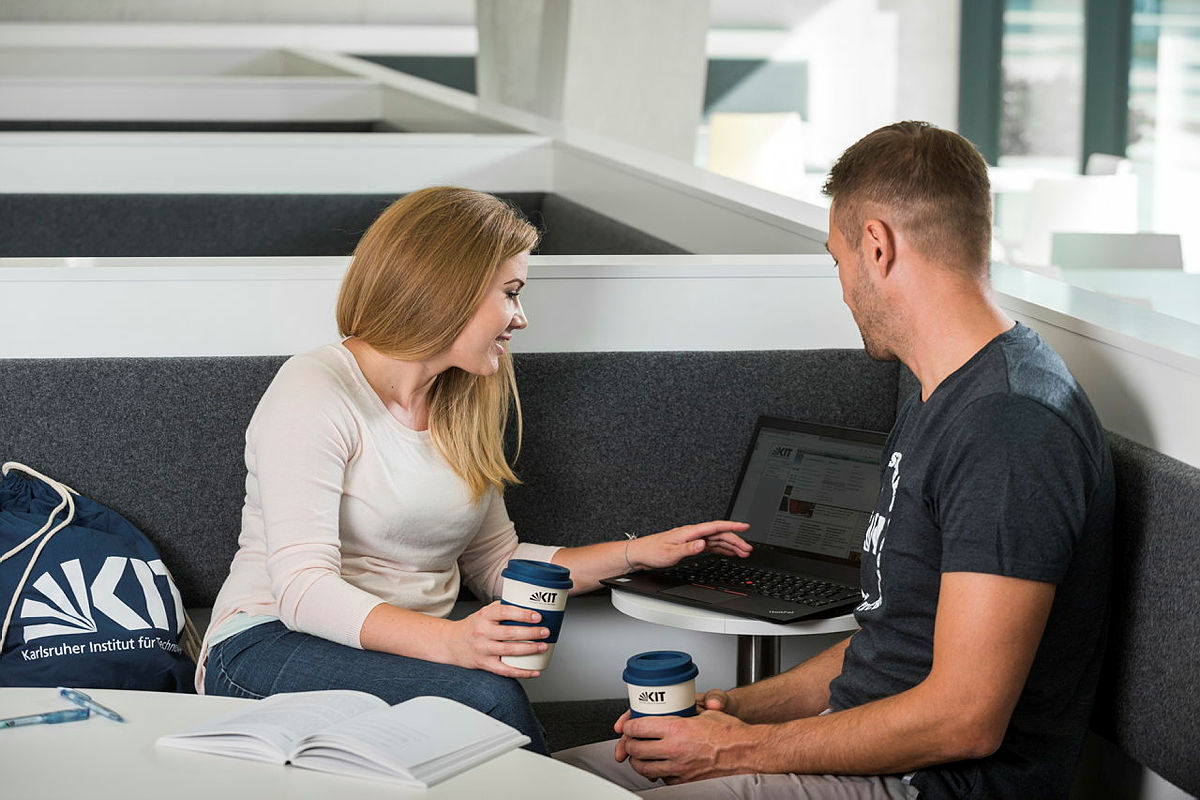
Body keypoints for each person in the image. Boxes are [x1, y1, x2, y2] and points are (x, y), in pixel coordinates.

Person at [557, 121, 1115, 799]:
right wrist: (737, 710)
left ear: (876, 246)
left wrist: (736, 752)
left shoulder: (1011, 426)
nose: (844, 289)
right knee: (545, 783)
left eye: (838, 260)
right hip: (856, 744)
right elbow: (892, 645)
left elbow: (965, 719)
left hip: (931, 785)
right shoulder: (938, 391)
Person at [197, 186, 751, 755]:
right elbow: (302, 589)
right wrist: (455, 643)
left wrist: (637, 554)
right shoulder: (314, 388)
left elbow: (496, 564)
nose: (522, 318)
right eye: (511, 293)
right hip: (269, 645)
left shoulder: (464, 401)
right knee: (486, 698)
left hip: (401, 652)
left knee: (481, 698)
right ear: (448, 291)